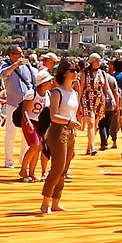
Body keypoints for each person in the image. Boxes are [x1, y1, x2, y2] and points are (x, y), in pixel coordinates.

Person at [39, 58, 82, 214]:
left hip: (71, 131)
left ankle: (56, 201)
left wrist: (75, 121)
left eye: (77, 70)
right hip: (58, 131)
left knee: (65, 167)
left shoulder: (74, 93)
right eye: (72, 71)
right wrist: (69, 120)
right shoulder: (57, 92)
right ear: (64, 73)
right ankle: (45, 202)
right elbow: (54, 116)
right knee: (57, 167)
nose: (75, 73)